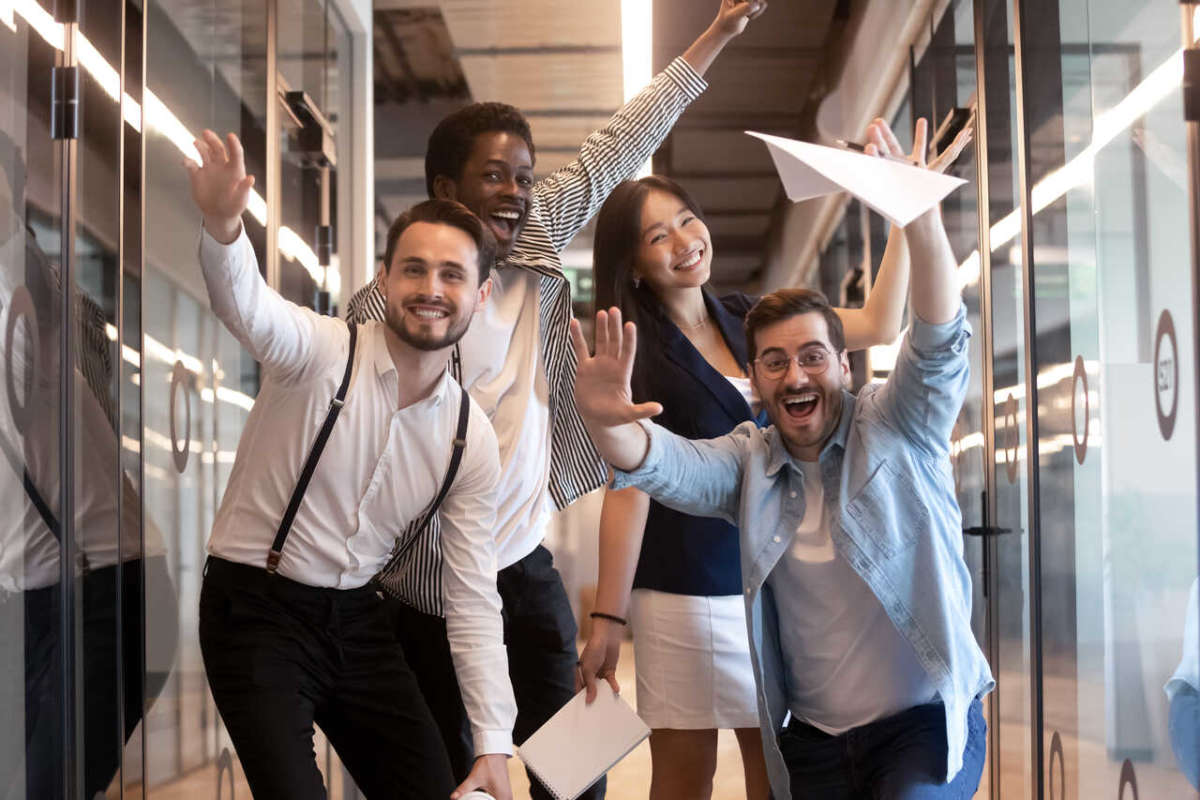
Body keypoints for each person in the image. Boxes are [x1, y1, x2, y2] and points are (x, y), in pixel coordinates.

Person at [344, 2, 767, 796]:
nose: (513, 193)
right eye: (492, 177)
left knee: (572, 777)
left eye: (523, 177)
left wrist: (713, 39)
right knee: (444, 776)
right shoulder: (386, 307)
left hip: (521, 572)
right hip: (419, 588)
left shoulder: (535, 246)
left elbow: (618, 147)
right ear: (445, 189)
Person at [569, 117, 994, 800]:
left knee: (774, 769)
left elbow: (886, 326)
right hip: (685, 587)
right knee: (686, 776)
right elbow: (641, 478)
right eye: (658, 236)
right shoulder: (635, 354)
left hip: (765, 587)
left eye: (686, 220)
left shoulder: (754, 319)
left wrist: (903, 212)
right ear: (634, 262)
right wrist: (607, 620)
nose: (683, 242)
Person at [186, 130, 515, 800]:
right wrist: (224, 226)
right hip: (256, 611)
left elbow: (473, 594)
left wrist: (493, 740)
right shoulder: (320, 352)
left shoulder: (467, 437)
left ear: (481, 295)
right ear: (386, 279)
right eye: (415, 269)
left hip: (360, 621)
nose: (432, 288)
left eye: (453, 274)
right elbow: (248, 309)